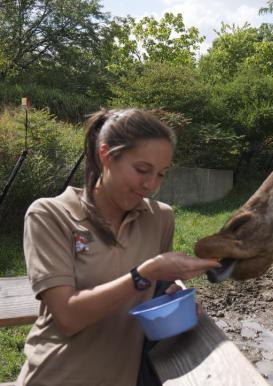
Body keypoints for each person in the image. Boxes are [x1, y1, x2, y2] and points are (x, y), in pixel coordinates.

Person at [17, 108, 220, 386]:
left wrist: (171, 302)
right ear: (106, 156)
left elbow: (149, 300)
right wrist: (144, 275)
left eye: (161, 174)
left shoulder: (160, 218)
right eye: (142, 170)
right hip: (55, 376)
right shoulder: (49, 215)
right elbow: (67, 317)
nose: (150, 185)